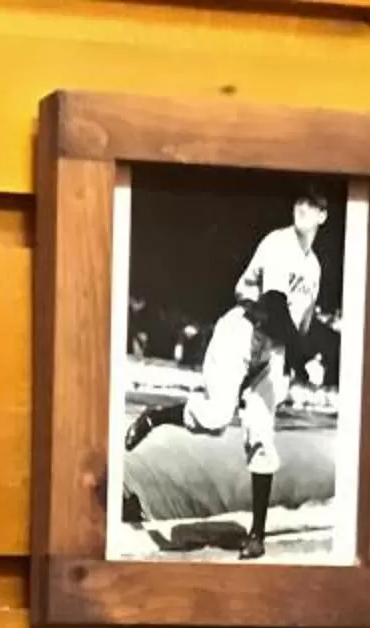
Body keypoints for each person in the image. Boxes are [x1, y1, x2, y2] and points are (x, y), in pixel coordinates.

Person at [124, 186, 333, 560]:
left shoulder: (314, 267)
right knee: (217, 416)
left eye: (313, 204)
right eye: (300, 200)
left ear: (323, 216)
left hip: (273, 348)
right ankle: (156, 417)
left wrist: (302, 358)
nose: (304, 208)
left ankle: (256, 535)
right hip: (242, 332)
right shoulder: (278, 244)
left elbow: (299, 324)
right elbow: (273, 305)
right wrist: (306, 358)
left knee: (262, 436)